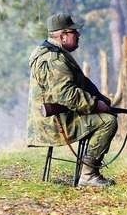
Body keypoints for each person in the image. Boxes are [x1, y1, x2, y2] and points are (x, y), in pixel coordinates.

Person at [27, 12, 118, 187]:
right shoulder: (54, 59)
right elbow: (66, 94)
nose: (78, 35)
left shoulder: (50, 52)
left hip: (56, 117)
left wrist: (99, 99)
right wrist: (95, 104)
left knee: (106, 116)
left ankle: (89, 173)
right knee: (108, 122)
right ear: (62, 36)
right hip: (56, 122)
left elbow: (78, 84)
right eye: (73, 32)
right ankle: (88, 175)